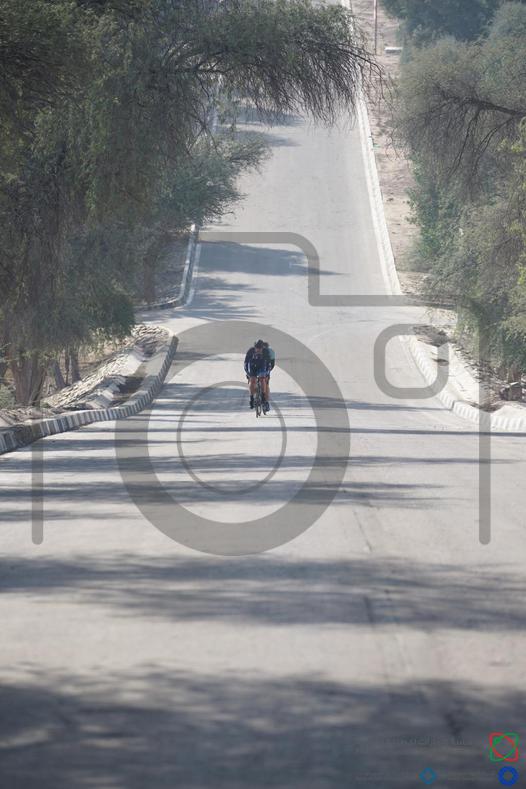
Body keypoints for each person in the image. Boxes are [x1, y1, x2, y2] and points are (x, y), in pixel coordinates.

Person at [244, 339, 275, 412]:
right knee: (252, 380)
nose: (258, 350)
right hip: (252, 366)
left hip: (262, 366)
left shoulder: (267, 352)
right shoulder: (250, 351)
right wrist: (247, 373)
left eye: (260, 348)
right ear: (254, 347)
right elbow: (246, 363)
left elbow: (269, 364)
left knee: (263, 379)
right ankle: (251, 398)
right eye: (257, 348)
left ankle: (264, 398)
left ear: (262, 348)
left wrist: (267, 373)